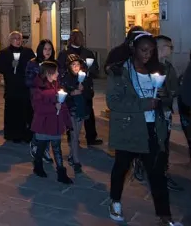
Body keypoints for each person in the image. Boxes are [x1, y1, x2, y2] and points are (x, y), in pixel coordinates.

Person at [106, 32, 179, 225]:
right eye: (143, 50)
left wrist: (164, 96)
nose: (147, 54)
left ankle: (165, 216)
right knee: (121, 167)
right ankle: (115, 201)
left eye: (151, 51)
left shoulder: (158, 70)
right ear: (134, 49)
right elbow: (113, 102)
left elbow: (168, 98)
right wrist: (144, 104)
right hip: (129, 128)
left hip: (153, 129)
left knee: (157, 174)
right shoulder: (119, 72)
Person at [133, 35, 183, 191]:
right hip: (147, 112)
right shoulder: (143, 66)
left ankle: (163, 173)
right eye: (169, 46)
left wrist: (167, 94)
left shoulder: (169, 67)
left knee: (163, 143)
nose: (172, 50)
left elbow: (174, 89)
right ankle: (140, 163)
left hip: (164, 112)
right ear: (160, 47)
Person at [30, 60, 73, 184]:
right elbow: (38, 108)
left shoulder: (57, 86)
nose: (58, 74)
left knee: (57, 149)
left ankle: (61, 173)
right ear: (48, 73)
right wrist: (54, 107)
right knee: (41, 148)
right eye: (56, 72)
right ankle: (38, 166)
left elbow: (63, 106)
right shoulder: (38, 89)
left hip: (55, 125)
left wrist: (68, 122)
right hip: (44, 124)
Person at [57, 29, 102, 146]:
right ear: (71, 38)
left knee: (88, 112)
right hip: (72, 87)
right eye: (75, 36)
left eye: (80, 36)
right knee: (72, 113)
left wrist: (89, 70)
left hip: (85, 88)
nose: (78, 38)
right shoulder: (64, 53)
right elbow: (61, 70)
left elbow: (96, 70)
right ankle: (72, 137)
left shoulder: (88, 53)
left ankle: (91, 137)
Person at [0, 31, 36, 143]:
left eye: (19, 38)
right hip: (12, 88)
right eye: (15, 38)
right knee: (13, 113)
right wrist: (10, 65)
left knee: (26, 112)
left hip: (25, 88)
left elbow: (34, 65)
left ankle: (26, 134)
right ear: (10, 40)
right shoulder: (4, 53)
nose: (18, 41)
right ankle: (13, 134)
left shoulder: (28, 52)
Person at [60, 54, 93, 174]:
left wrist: (84, 90)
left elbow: (90, 94)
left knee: (77, 135)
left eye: (77, 64)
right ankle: (76, 161)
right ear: (69, 66)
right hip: (70, 110)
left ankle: (71, 155)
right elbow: (61, 94)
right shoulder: (66, 78)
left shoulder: (85, 78)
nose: (75, 67)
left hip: (81, 109)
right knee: (74, 135)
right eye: (73, 64)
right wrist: (71, 93)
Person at [25, 39, 55, 164]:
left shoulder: (54, 64)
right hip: (37, 97)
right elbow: (28, 81)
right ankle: (36, 144)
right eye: (45, 49)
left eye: (50, 49)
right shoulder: (33, 63)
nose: (47, 51)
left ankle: (45, 149)